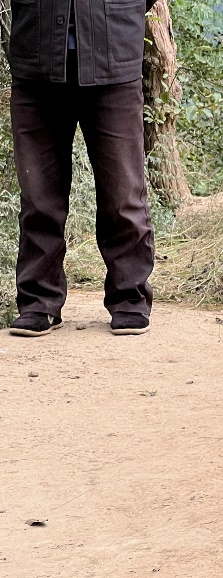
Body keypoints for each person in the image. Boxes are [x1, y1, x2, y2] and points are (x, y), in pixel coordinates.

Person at [6, 0, 155, 337]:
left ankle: (129, 299)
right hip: (36, 60)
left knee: (123, 193)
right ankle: (38, 303)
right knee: (38, 197)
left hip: (113, 55)